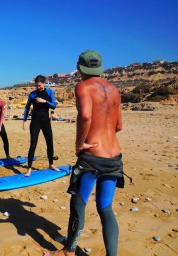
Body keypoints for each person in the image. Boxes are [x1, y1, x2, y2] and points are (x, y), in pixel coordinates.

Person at [44, 50, 123, 256]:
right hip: (114, 157)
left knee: (78, 202)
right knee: (105, 208)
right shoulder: (114, 89)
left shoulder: (83, 86)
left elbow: (86, 116)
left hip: (92, 157)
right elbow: (119, 126)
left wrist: (80, 144)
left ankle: (69, 251)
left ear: (79, 68)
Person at [23, 75, 59, 177]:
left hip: (45, 122)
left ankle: (51, 164)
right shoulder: (33, 94)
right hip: (35, 122)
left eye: (39, 85)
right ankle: (29, 169)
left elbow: (54, 105)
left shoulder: (49, 92)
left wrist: (44, 101)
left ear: (44, 83)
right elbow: (27, 107)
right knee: (33, 144)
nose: (38, 87)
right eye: (36, 86)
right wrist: (24, 121)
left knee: (50, 143)